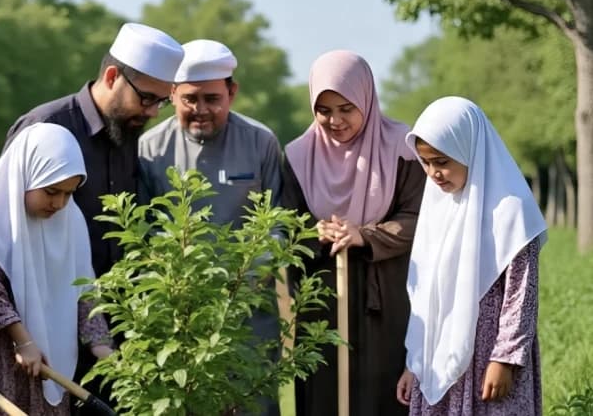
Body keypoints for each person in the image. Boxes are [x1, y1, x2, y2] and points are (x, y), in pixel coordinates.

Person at [2, 22, 184, 413]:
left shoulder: (128, 134)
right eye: (147, 98)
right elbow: (6, 232)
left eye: (161, 103)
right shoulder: (46, 127)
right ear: (113, 76)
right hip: (40, 330)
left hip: (106, 332)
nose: (152, 112)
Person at [138, 39, 283, 416]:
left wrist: (244, 282)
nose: (200, 110)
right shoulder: (150, 149)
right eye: (189, 99)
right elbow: (142, 231)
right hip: (176, 313)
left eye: (212, 99)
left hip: (249, 314)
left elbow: (278, 224)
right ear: (171, 93)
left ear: (232, 93)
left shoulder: (261, 142)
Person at [280, 50, 425, 416]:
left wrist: (365, 235)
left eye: (346, 108)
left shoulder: (402, 149)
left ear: (366, 98)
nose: (335, 120)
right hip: (323, 300)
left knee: (383, 393)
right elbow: (286, 227)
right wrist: (314, 232)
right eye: (324, 110)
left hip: (387, 300)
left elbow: (418, 218)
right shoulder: (298, 156)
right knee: (324, 393)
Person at [0, 123, 113, 416]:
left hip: (42, 361)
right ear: (25, 176)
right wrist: (24, 340)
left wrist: (102, 346)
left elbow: (83, 289)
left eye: (69, 194)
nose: (59, 203)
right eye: (51, 191)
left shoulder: (71, 222)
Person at [396, 96, 546, 414]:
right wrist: (414, 364)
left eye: (442, 161)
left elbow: (522, 295)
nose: (434, 173)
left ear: (470, 151)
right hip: (439, 355)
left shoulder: (510, 211)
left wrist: (505, 358)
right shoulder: (437, 208)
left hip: (490, 357)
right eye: (426, 163)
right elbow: (425, 297)